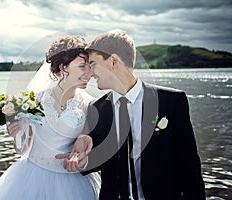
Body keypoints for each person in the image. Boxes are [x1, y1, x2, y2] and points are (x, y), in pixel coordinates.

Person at [57, 30, 206, 200]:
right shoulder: (96, 109)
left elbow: (189, 168)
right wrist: (82, 162)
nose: (89, 72)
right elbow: (101, 158)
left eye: (93, 63)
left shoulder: (171, 102)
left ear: (113, 61)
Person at [0, 36, 101, 200]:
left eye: (90, 66)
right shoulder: (33, 101)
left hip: (71, 179)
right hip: (30, 176)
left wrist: (80, 156)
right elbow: (22, 150)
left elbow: (85, 143)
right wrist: (16, 133)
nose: (89, 73)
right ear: (63, 67)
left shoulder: (89, 104)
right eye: (82, 66)